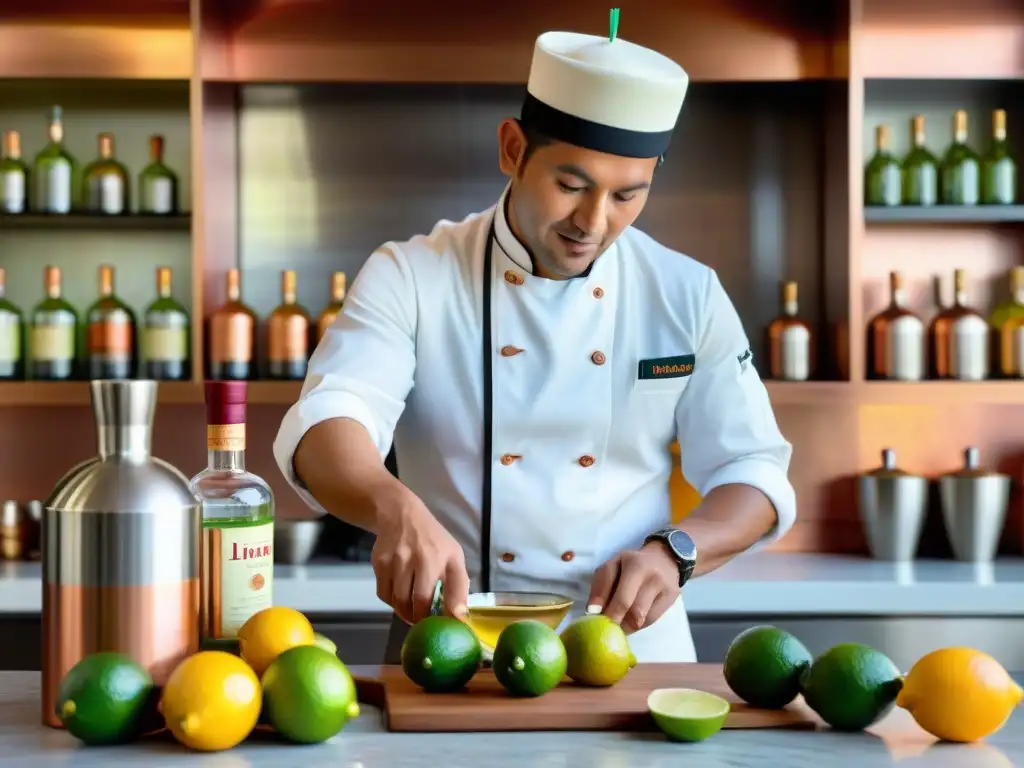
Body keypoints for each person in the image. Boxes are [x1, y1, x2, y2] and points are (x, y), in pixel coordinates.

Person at [273, 16, 796, 664]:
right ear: (513, 149)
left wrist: (677, 552)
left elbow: (753, 474)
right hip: (450, 650)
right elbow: (331, 418)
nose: (594, 223)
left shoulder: (686, 293)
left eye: (628, 195)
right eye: (570, 186)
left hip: (630, 654)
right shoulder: (414, 274)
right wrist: (392, 504)